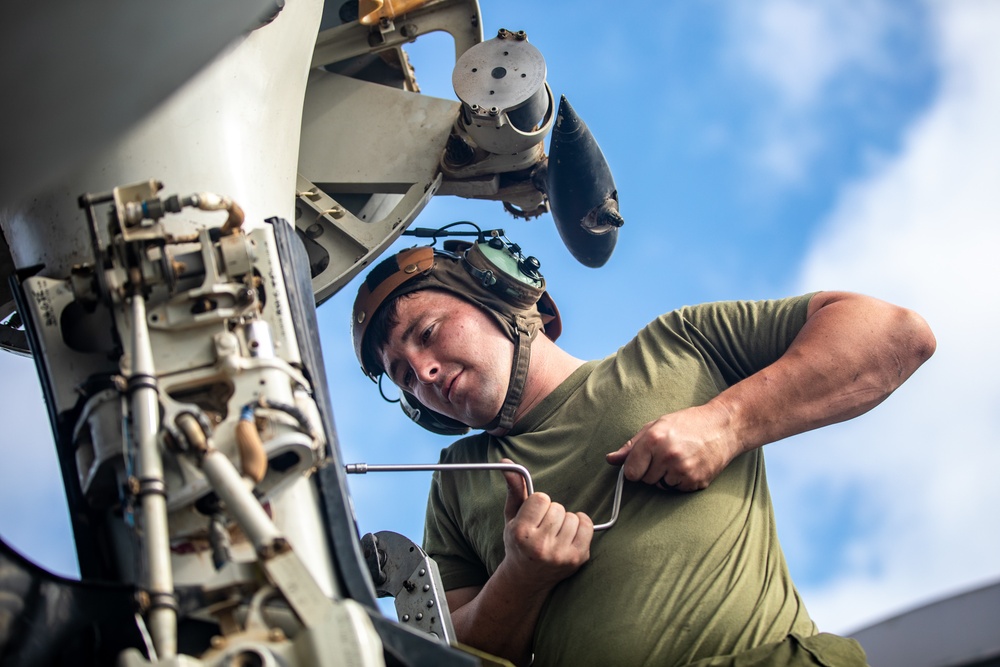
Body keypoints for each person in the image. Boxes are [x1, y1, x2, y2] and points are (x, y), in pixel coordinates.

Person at [350, 234, 936, 667]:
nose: (423, 373)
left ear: (495, 293)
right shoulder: (458, 479)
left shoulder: (679, 348)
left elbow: (894, 333)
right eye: (402, 376)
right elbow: (449, 655)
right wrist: (520, 578)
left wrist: (726, 422)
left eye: (427, 333)